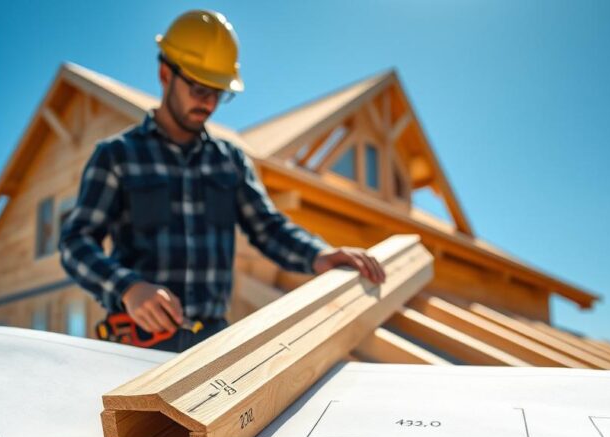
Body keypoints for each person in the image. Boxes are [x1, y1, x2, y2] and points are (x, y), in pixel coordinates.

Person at [59, 9, 385, 352]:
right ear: (164, 73)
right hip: (137, 343)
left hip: (211, 343)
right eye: (199, 88)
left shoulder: (229, 160)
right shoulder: (116, 156)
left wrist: (319, 255)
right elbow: (76, 241)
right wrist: (127, 288)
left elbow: (268, 227)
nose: (209, 102)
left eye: (218, 91)